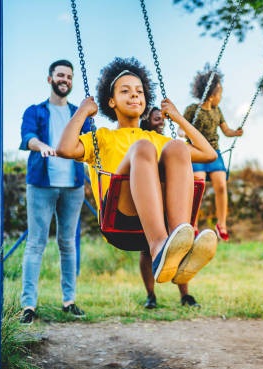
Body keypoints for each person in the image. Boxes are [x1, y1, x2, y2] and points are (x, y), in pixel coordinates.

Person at [57, 57, 218, 305]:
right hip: (120, 219)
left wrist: (177, 117)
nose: (134, 95)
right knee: (142, 148)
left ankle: (179, 244)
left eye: (139, 91)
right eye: (125, 91)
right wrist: (82, 111)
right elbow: (65, 149)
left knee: (177, 149)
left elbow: (208, 154)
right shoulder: (102, 137)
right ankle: (159, 249)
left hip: (158, 219)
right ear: (111, 102)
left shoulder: (156, 138)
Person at [19, 60, 91, 325]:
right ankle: (28, 305)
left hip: (73, 185)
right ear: (50, 79)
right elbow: (28, 137)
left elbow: (90, 145)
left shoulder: (79, 114)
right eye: (60, 75)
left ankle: (69, 301)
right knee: (36, 243)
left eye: (69, 76)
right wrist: (42, 146)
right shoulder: (35, 111)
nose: (65, 80)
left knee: (67, 243)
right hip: (41, 184)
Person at [140, 107, 200, 308]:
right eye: (153, 115)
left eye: (161, 117)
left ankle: (185, 295)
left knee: (178, 243)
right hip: (144, 203)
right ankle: (151, 295)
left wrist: (178, 118)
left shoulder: (170, 143)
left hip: (169, 202)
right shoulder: (139, 140)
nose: (159, 117)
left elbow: (208, 154)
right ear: (145, 119)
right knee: (146, 251)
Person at [182, 67, 243, 241]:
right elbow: (183, 127)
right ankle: (192, 223)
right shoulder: (192, 109)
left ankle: (221, 224)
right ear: (211, 94)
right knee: (198, 185)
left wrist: (235, 133)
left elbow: (226, 130)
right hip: (197, 152)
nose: (221, 96)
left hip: (215, 153)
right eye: (220, 92)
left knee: (221, 186)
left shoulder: (217, 110)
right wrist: (181, 132)